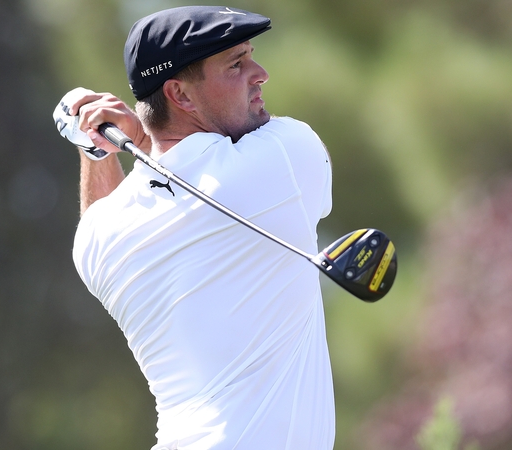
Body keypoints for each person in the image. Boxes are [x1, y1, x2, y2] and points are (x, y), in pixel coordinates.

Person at [54, 6, 335, 450]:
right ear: (181, 96)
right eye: (236, 64)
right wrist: (141, 144)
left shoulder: (96, 243)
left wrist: (98, 149)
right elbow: (197, 177)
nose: (260, 73)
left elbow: (99, 216)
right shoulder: (286, 156)